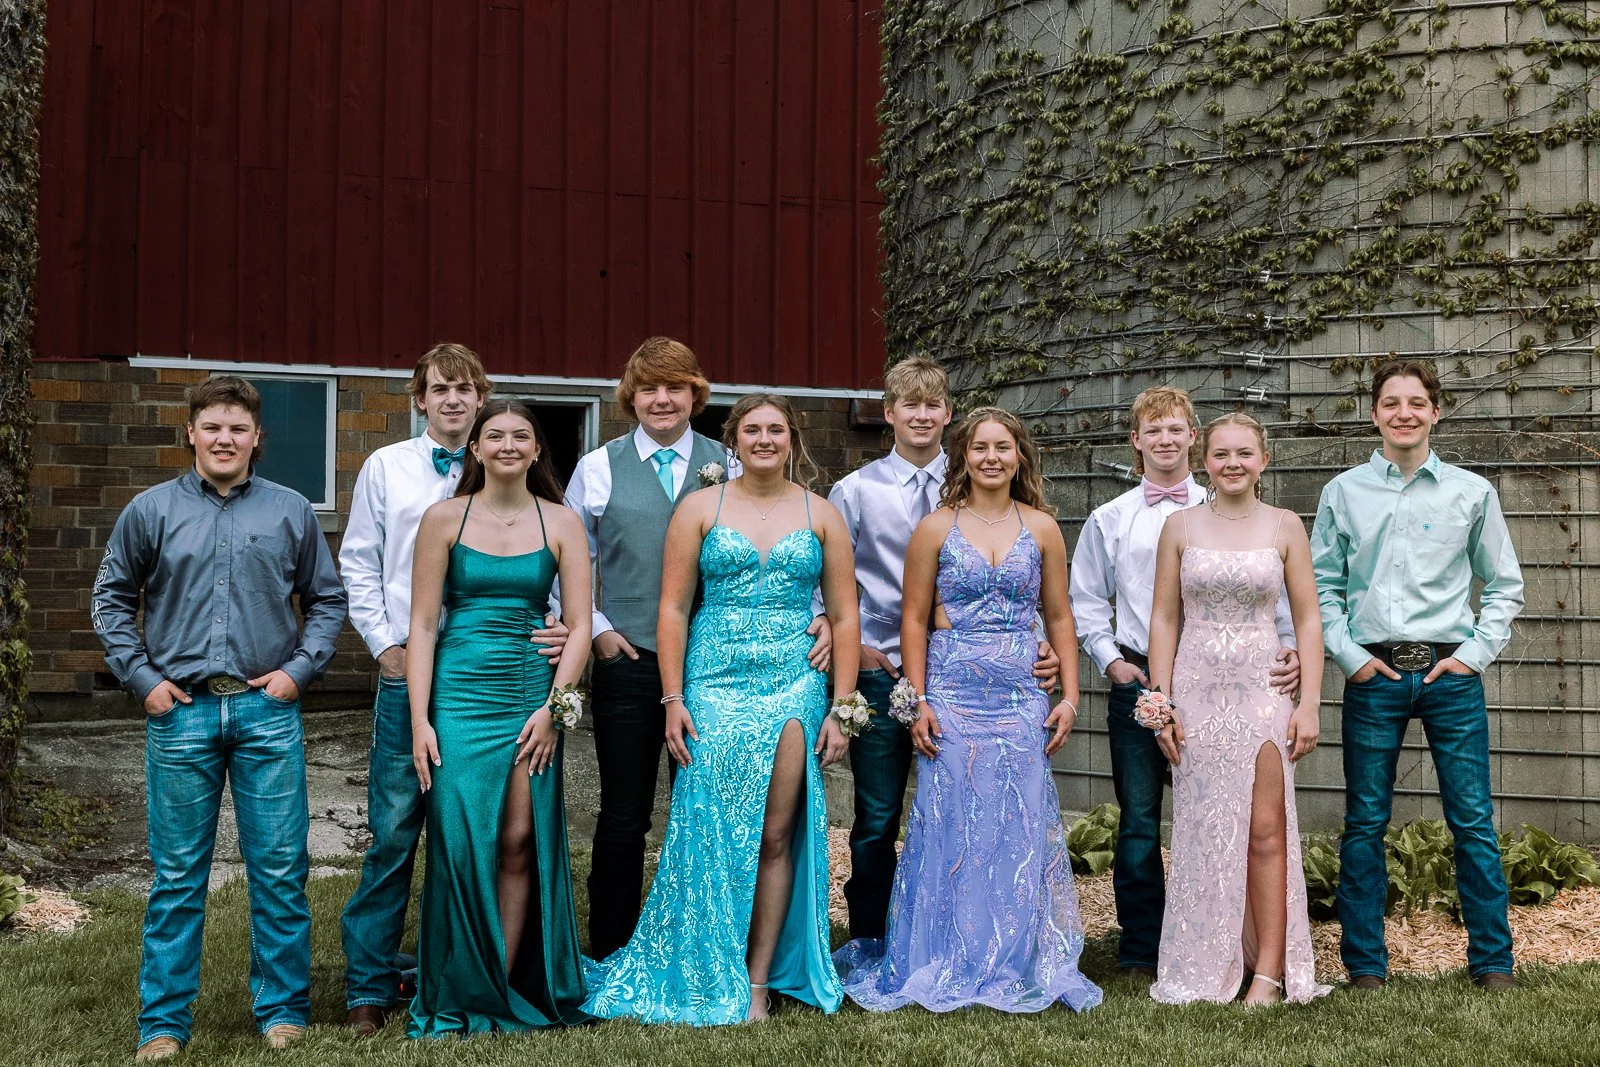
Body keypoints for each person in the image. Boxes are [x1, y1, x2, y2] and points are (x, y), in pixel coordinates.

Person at [582, 393, 858, 1025]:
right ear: (732, 441)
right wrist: (672, 698)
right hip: (712, 681)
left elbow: (844, 616)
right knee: (705, 829)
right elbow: (673, 607)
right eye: (752, 429)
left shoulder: (820, 513)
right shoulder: (701, 508)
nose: (764, 439)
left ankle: (757, 980)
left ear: (792, 440)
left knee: (776, 834)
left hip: (793, 682)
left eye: (776, 429)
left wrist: (842, 707)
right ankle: (705, 963)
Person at [92, 376, 347, 1059]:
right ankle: (163, 1023)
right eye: (212, 427)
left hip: (266, 709)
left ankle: (283, 1010)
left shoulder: (291, 511)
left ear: (257, 438)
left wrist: (299, 672)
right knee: (178, 875)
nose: (224, 439)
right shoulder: (150, 510)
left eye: (237, 428)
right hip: (181, 711)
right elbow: (111, 597)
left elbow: (327, 600)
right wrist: (141, 679)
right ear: (191, 433)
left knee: (280, 868)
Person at [835, 407, 1101, 1014]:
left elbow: (1060, 616)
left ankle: (1013, 956)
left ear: (1019, 455)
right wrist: (919, 700)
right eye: (980, 447)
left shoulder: (1042, 527)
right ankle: (945, 951)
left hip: (1019, 696)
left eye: (1002, 447)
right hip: (952, 694)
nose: (991, 457)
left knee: (1017, 822)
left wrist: (1069, 695)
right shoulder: (936, 527)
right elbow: (912, 620)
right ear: (963, 457)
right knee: (950, 820)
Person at [338, 343, 562, 1034]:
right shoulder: (387, 467)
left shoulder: (515, 468)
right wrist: (387, 648)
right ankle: (369, 986)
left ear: (482, 398)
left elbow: (547, 569)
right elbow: (359, 562)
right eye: (441, 389)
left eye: (466, 389)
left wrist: (555, 625)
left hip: (499, 677)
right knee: (395, 831)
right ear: (421, 399)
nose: (454, 400)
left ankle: (482, 971)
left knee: (496, 833)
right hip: (413, 673)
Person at [1070, 387, 1301, 979]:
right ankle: (1143, 949)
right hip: (1138, 676)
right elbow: (1087, 600)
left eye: (1176, 429)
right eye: (1153, 430)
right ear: (1136, 441)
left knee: (1231, 819)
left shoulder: (1231, 505)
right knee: (1140, 819)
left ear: (1193, 439)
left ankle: (1236, 947)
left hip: (1232, 684)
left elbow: (1278, 600)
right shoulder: (1110, 518)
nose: (1165, 439)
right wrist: (1112, 663)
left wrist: (1292, 651)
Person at [828, 358, 1059, 941]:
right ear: (889, 413)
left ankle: (967, 933)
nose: (922, 415)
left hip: (974, 677)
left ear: (948, 414)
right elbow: (825, 580)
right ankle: (875, 937)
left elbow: (1019, 584)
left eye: (933, 405)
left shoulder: (977, 484)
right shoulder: (854, 491)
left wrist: (1037, 643)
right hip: (883, 666)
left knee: (966, 810)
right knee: (878, 816)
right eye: (910, 405)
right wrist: (852, 646)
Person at [1311, 360, 1523, 991]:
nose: (1403, 413)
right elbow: (1322, 586)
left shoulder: (1471, 492)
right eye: (1391, 403)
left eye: (1415, 402)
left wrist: (1473, 655)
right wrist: (1350, 656)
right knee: (1364, 822)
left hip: (1449, 675)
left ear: (1436, 411)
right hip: (1372, 674)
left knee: (1473, 820)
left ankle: (1493, 963)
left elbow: (1505, 584)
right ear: (1375, 413)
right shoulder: (1343, 492)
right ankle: (1365, 966)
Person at [404, 398, 594, 1035]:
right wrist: (420, 720)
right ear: (476, 449)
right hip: (458, 695)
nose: (507, 445)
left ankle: (502, 984)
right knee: (460, 844)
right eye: (495, 436)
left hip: (529, 693)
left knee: (517, 841)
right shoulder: (443, 518)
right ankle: (463, 983)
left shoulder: (562, 522)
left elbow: (580, 625)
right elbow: (423, 625)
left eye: (520, 436)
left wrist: (555, 711)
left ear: (537, 450)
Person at [1145, 413, 1330, 1006]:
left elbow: (1308, 619)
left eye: (1244, 453)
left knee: (1266, 830)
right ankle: (1206, 960)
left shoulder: (1285, 525)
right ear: (1204, 460)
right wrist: (1160, 703)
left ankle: (1269, 972)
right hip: (1196, 693)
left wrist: (1309, 703)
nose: (1232, 464)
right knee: (1201, 829)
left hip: (1261, 691)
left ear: (1263, 460)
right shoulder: (1178, 526)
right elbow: (1164, 618)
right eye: (1221, 454)